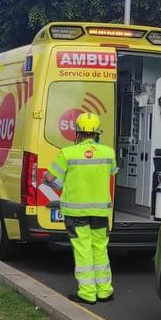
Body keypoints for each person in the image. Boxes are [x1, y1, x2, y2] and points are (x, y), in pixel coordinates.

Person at [41, 112, 117, 305]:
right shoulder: (109, 152)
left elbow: (50, 177)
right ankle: (105, 291)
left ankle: (87, 293)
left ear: (78, 131)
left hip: (76, 213)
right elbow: (112, 172)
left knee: (83, 250)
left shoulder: (68, 153)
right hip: (100, 211)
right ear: (97, 131)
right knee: (100, 249)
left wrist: (52, 181)